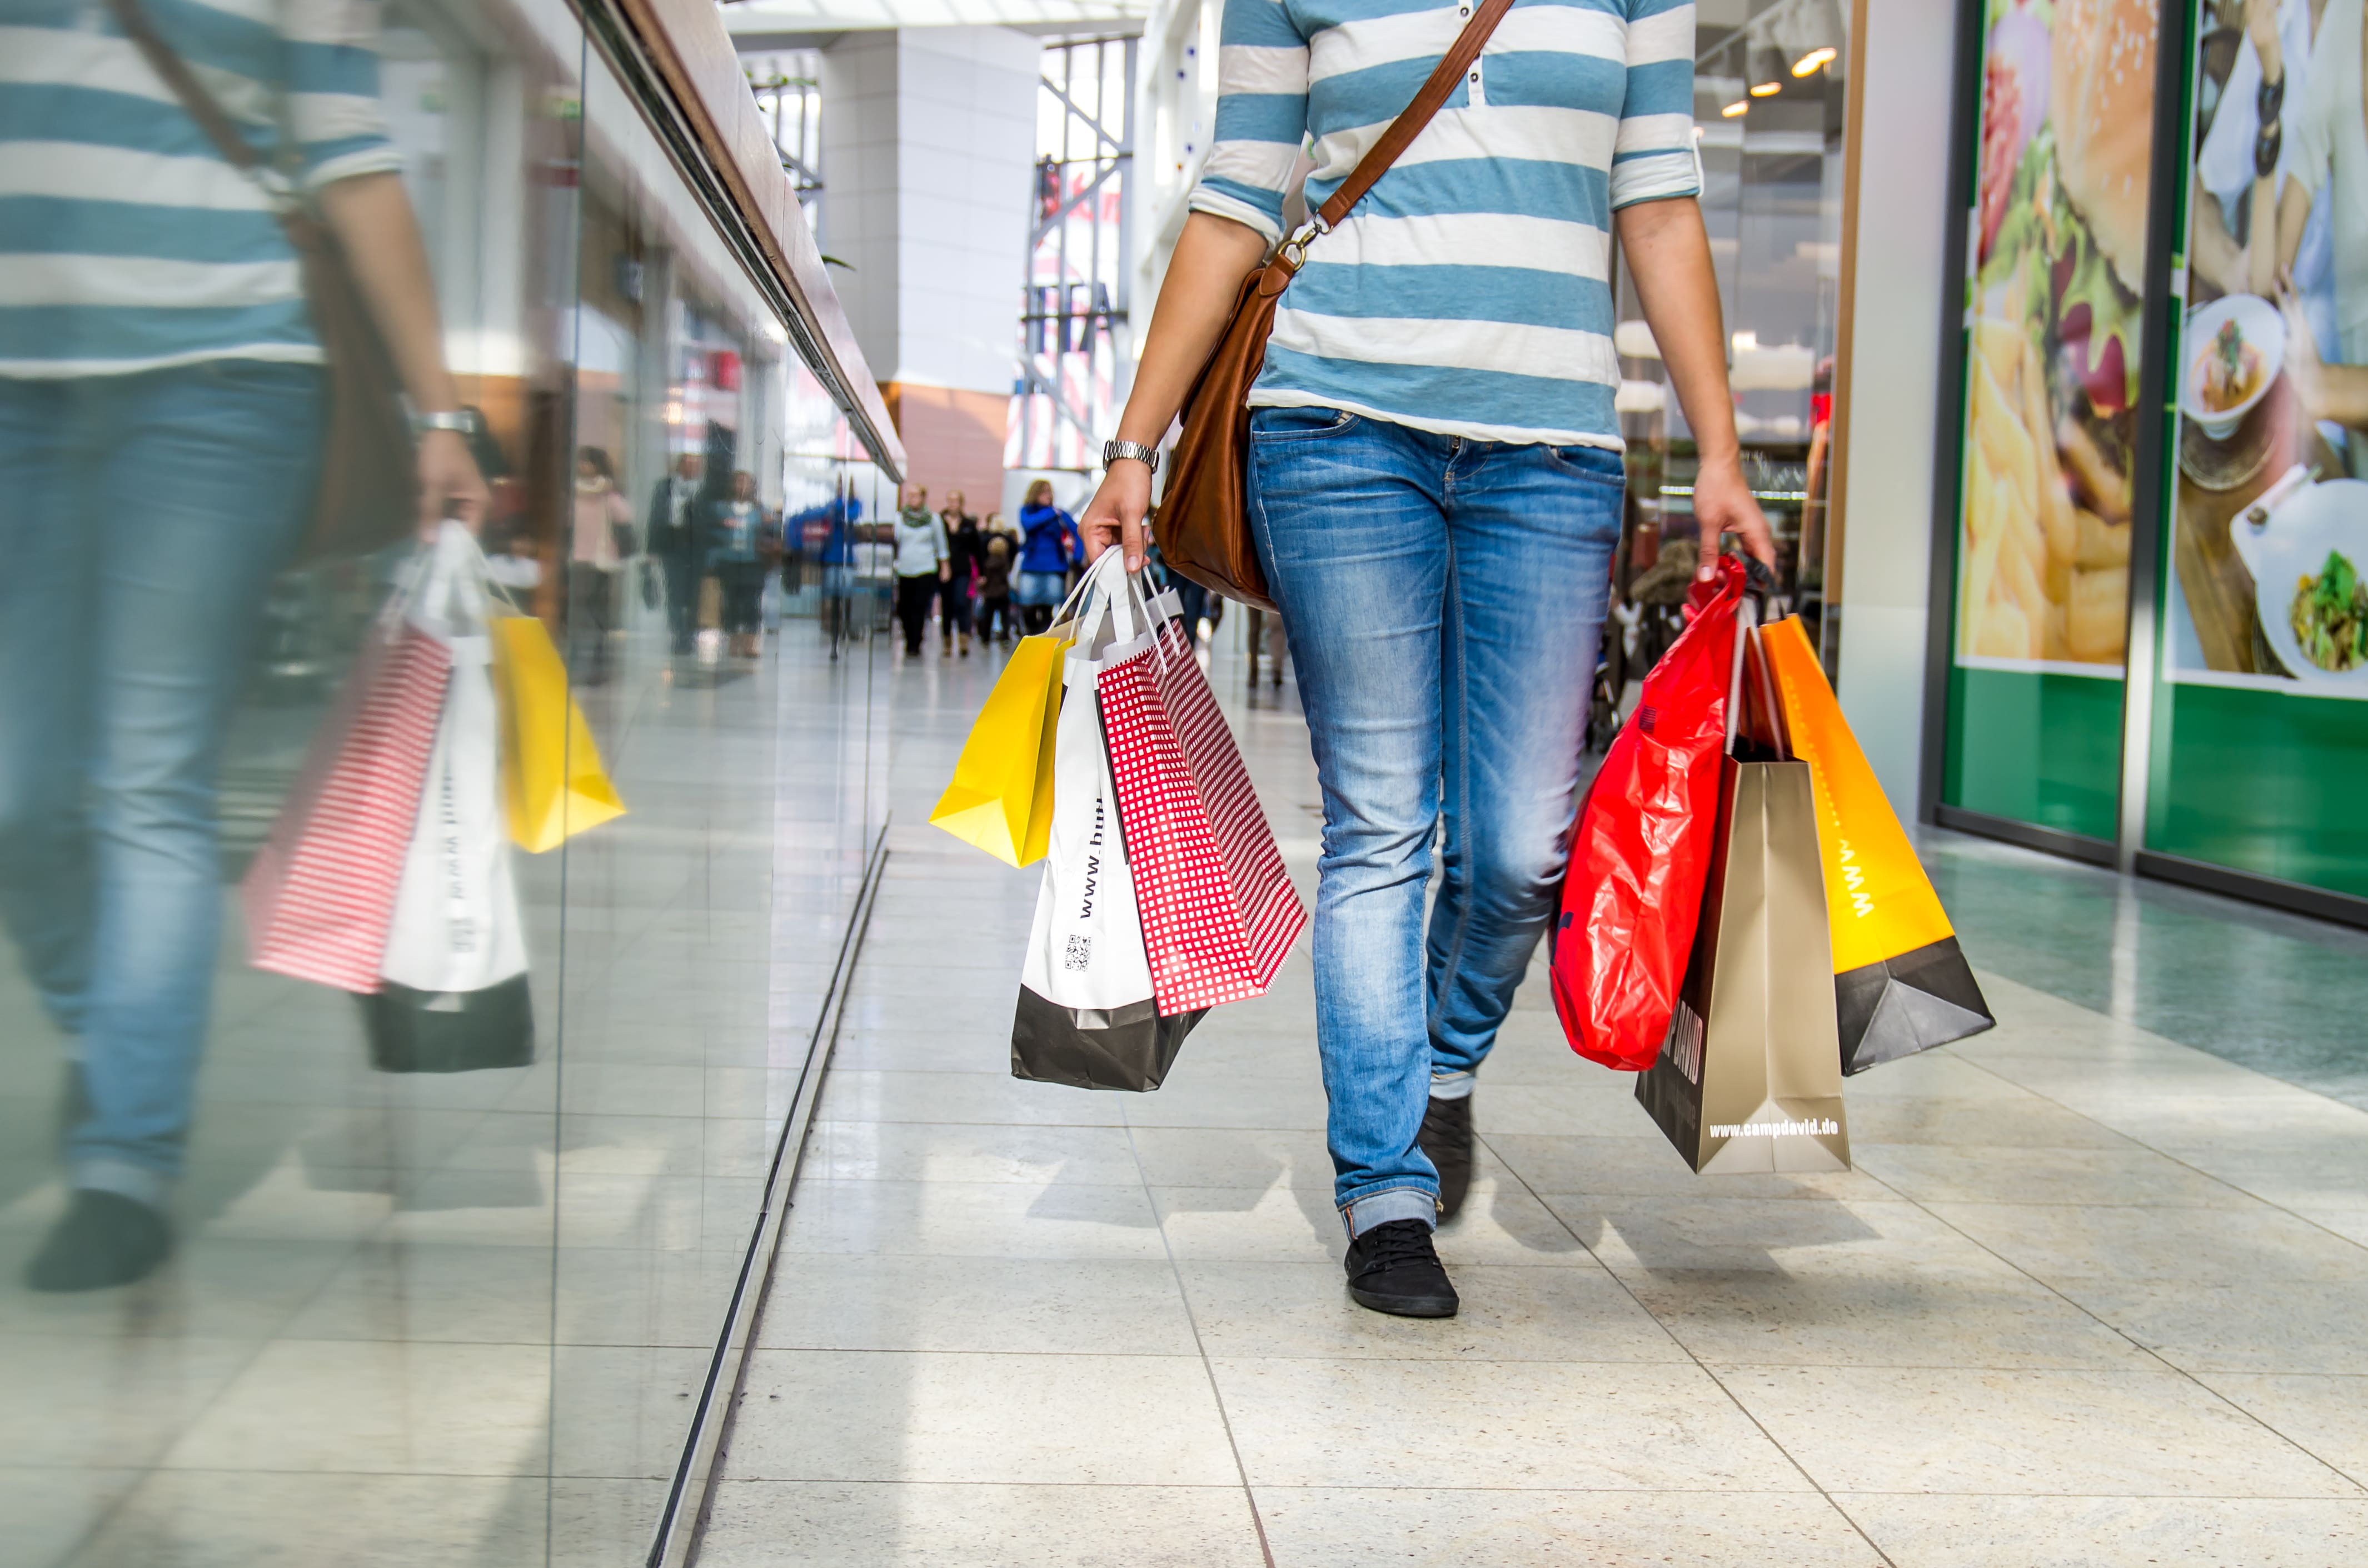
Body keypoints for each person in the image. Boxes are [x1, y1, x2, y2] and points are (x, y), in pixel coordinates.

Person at [1075, 0, 1773, 1319]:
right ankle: (1381, 1193)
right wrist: (1132, 444)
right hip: (1336, 428)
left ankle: (1442, 1067)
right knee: (1381, 825)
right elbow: (1233, 199)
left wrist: (1720, 450)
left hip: (1553, 449)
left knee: (1518, 847)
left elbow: (1662, 203)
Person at [0, 4, 488, 1291]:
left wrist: (441, 411)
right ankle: (124, 1045)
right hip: (16, 388)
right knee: (19, 794)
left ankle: (125, 1157)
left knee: (146, 778)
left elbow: (353, 159)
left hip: (219, 379)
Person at [570, 446, 632, 683]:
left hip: (601, 560)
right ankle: (577, 656)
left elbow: (626, 520)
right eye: (582, 462)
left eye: (589, 462)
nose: (584, 467)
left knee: (597, 611)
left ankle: (598, 660)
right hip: (577, 559)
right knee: (578, 611)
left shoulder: (609, 495)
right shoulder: (573, 494)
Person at [646, 451, 707, 654]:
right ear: (679, 465)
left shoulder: (704, 490)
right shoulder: (664, 488)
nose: (691, 467)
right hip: (671, 543)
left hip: (696, 546)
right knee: (674, 592)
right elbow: (655, 518)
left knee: (693, 594)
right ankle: (677, 634)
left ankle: (690, 634)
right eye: (687, 463)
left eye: (695, 464)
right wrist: (651, 549)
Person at [706, 471, 771, 658]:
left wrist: (769, 524)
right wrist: (722, 527)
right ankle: (733, 642)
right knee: (731, 602)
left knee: (752, 603)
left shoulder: (760, 511)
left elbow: (772, 532)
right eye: (738, 482)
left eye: (746, 483)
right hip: (729, 560)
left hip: (754, 562)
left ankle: (751, 643)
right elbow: (711, 533)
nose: (742, 487)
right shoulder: (721, 509)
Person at [1015, 480, 1080, 634]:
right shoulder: (1028, 511)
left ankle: (1042, 639)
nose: (1048, 495)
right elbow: (1028, 524)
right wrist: (1051, 513)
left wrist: (1077, 558)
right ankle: (1030, 634)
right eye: (1044, 492)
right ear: (1035, 493)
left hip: (1055, 567)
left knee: (1049, 607)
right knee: (1027, 604)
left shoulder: (1061, 515)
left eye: (1050, 492)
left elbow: (1078, 531)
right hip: (1031, 566)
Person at [892, 484, 950, 655]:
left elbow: (941, 544)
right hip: (905, 568)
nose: (912, 499)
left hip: (925, 567)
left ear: (923, 497)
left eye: (915, 495)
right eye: (909, 495)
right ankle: (909, 635)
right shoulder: (900, 518)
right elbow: (896, 541)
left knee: (919, 606)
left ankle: (915, 643)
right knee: (904, 607)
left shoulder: (933, 519)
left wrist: (945, 566)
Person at [939, 490, 982, 657]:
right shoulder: (939, 521)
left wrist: (981, 572)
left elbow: (977, 549)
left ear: (961, 503)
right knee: (946, 605)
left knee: (961, 602)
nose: (952, 504)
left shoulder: (968, 524)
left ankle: (964, 639)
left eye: (955, 500)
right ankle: (947, 641)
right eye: (949, 500)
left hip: (963, 569)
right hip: (943, 569)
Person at [977, 526, 1016, 644]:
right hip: (1003, 592)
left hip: (990, 593)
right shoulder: (1006, 563)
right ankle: (1005, 636)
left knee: (988, 617)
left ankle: (985, 637)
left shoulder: (987, 563)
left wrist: (983, 588)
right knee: (1005, 617)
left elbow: (986, 579)